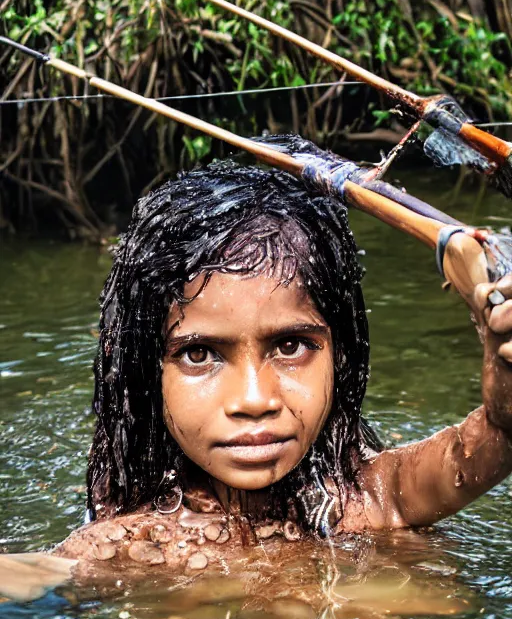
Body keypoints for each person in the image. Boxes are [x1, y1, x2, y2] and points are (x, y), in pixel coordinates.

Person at [44, 147, 512, 580]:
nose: (254, 400)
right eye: (199, 354)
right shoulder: (124, 546)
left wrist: (505, 380)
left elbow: (493, 439)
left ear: (340, 357)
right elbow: (28, 579)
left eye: (291, 347)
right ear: (146, 373)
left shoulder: (369, 496)